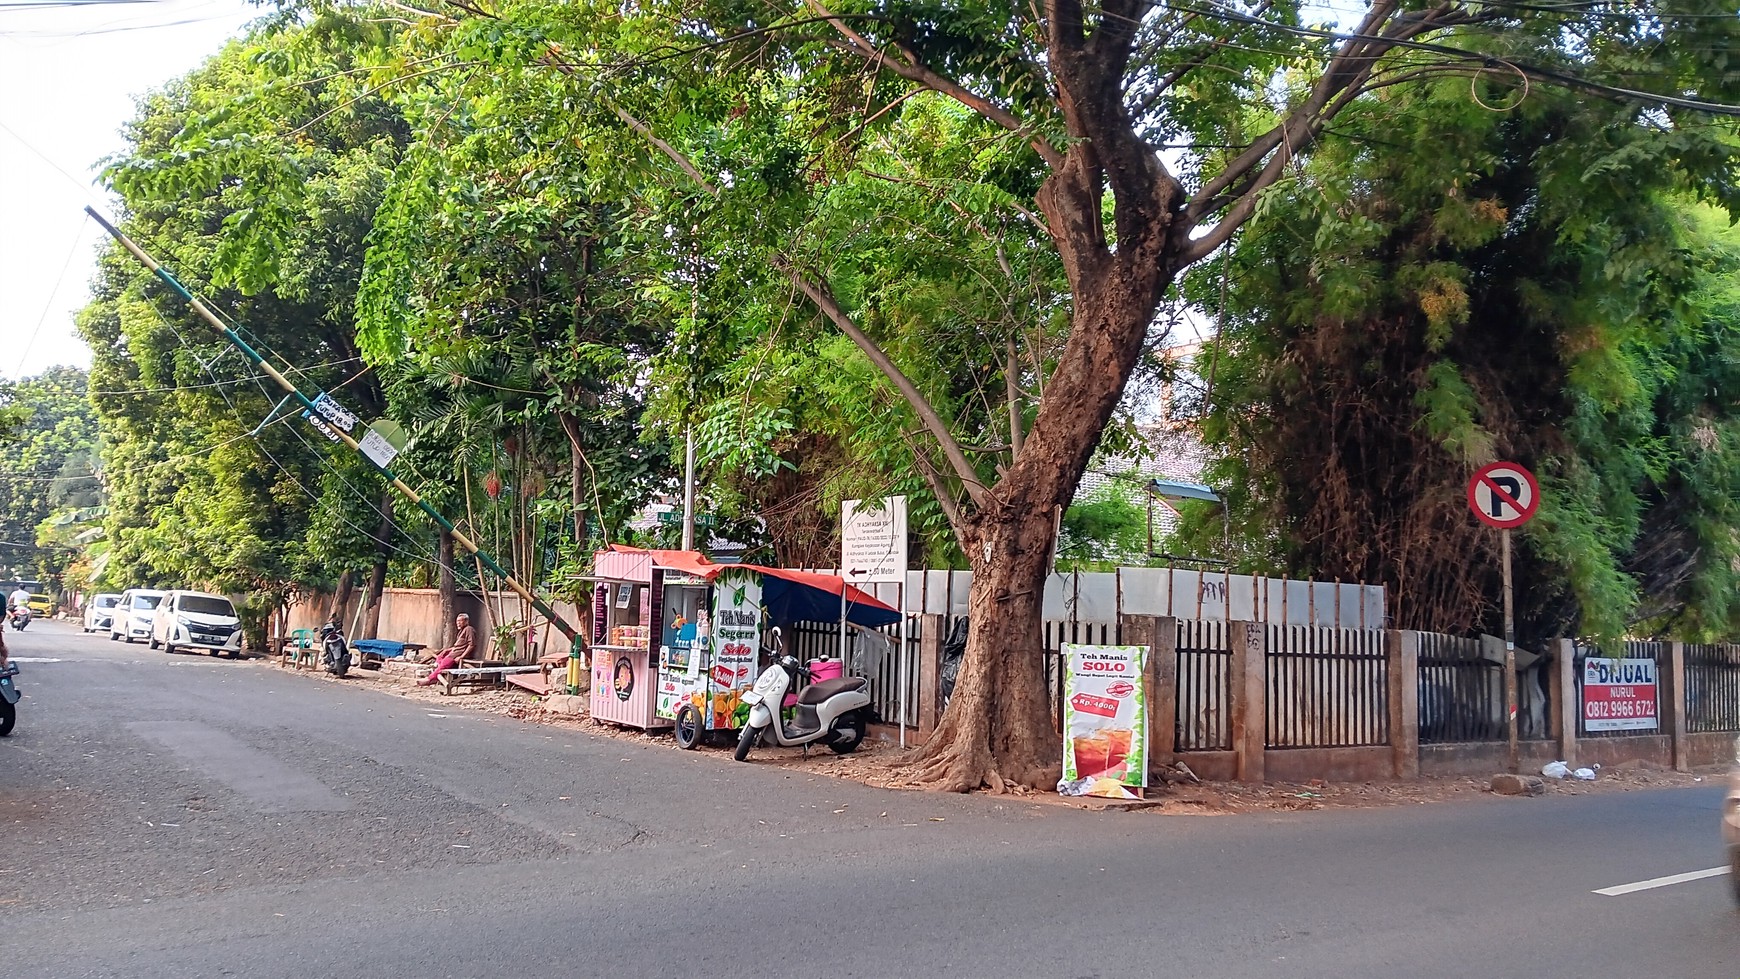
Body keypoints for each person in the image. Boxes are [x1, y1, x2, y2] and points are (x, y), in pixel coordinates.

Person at [417, 613, 476, 687]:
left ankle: (430, 679)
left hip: (459, 653)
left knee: (445, 662)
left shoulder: (469, 629)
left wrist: (462, 656)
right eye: (457, 621)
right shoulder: (462, 630)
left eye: (460, 621)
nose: (458, 623)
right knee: (440, 656)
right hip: (455, 651)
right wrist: (447, 650)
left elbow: (472, 645)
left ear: (466, 621)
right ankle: (437, 674)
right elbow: (458, 645)